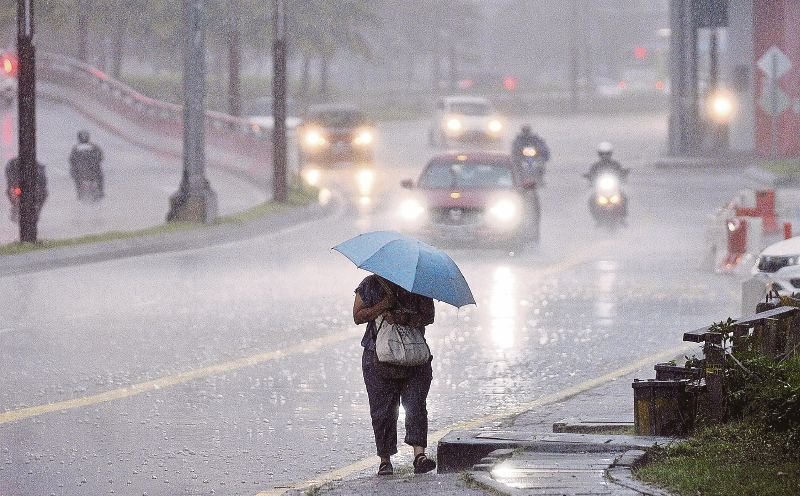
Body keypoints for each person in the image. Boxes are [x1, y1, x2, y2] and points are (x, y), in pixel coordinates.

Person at [353, 274, 437, 476]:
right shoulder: (370, 285)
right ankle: (385, 460)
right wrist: (383, 306)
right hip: (377, 358)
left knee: (416, 405)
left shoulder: (419, 286)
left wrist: (402, 317)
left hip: (414, 358)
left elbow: (429, 316)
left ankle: (419, 455)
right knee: (382, 411)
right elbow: (357, 316)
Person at [5, 156, 48, 221]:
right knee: (13, 192)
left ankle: (37, 210)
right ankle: (15, 207)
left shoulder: (38, 169)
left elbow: (43, 185)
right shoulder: (12, 166)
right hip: (17, 183)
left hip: (35, 185)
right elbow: (11, 181)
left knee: (43, 194)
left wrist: (39, 189)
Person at [69, 130, 104, 199]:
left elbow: (71, 160)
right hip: (93, 171)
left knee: (76, 177)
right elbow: (100, 157)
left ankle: (79, 192)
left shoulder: (76, 148)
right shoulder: (94, 146)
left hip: (81, 172)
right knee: (100, 177)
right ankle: (100, 191)